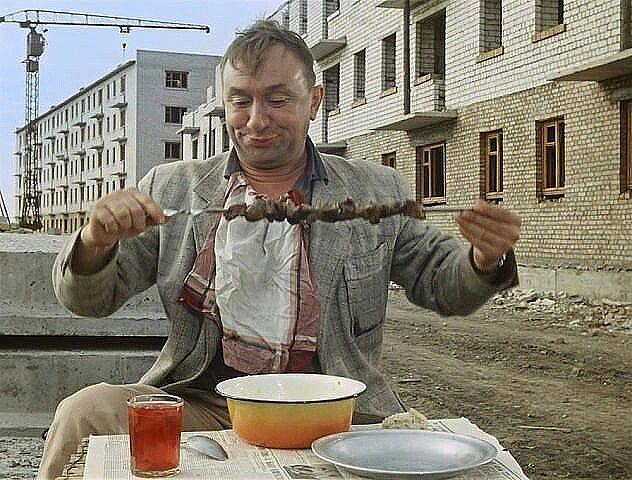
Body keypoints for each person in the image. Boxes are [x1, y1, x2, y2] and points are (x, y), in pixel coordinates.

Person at [40, 19, 521, 479]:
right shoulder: (173, 189)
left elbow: (442, 284)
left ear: (314, 102)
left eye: (277, 99)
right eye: (240, 101)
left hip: (338, 414)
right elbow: (88, 301)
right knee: (84, 413)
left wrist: (484, 259)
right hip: (206, 405)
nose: (256, 120)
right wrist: (94, 240)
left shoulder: (375, 190)